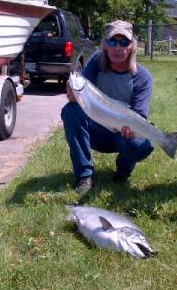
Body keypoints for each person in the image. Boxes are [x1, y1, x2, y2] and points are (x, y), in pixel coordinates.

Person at [61, 20, 154, 192]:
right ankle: (84, 176)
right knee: (71, 111)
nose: (118, 48)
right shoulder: (97, 61)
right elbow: (82, 92)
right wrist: (74, 96)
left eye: (124, 42)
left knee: (143, 145)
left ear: (132, 46)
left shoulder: (143, 77)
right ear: (105, 45)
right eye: (113, 42)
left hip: (122, 135)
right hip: (96, 131)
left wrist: (132, 131)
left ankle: (123, 171)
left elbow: (140, 116)